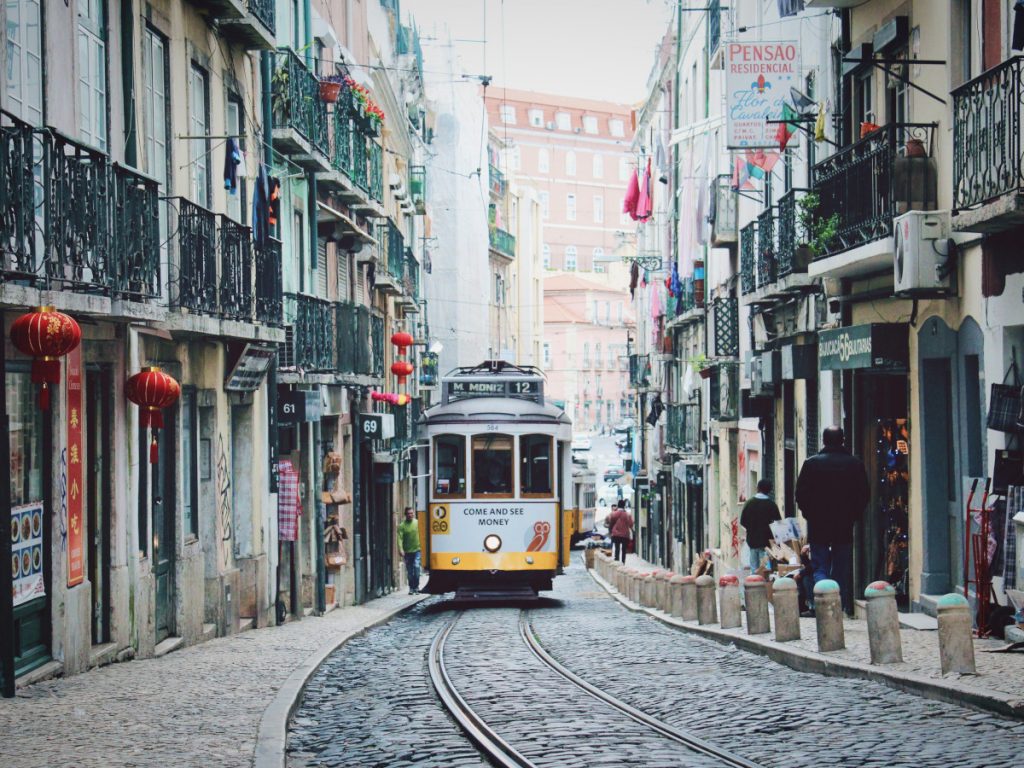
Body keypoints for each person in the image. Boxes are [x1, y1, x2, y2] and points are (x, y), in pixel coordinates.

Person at [795, 426, 870, 614]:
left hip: (818, 524)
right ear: (843, 440)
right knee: (840, 566)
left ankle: (823, 600)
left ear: (823, 440)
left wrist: (809, 514)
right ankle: (837, 606)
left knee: (819, 565)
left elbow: (800, 494)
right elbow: (864, 494)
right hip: (844, 524)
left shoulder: (812, 464)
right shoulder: (855, 464)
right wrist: (854, 515)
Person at [740, 479, 781, 574]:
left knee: (754, 568)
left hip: (752, 541)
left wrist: (751, 529)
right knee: (766, 569)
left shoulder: (749, 503)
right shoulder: (772, 505)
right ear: (770, 490)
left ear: (757, 488)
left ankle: (753, 585)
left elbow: (743, 522)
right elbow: (778, 524)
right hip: (767, 543)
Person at [397, 506, 421, 595]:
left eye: (412, 513)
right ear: (405, 515)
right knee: (410, 571)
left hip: (417, 550)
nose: (410, 515)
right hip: (407, 551)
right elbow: (399, 538)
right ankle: (411, 587)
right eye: (408, 514)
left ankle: (417, 587)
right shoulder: (402, 526)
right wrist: (400, 549)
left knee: (417, 567)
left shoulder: (418, 523)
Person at [606, 499, 634, 564]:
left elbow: (610, 522)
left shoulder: (614, 514)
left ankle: (617, 562)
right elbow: (631, 524)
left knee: (617, 549)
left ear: (618, 505)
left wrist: (611, 531)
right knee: (624, 550)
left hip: (616, 534)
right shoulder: (628, 515)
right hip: (625, 534)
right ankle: (623, 562)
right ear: (624, 506)